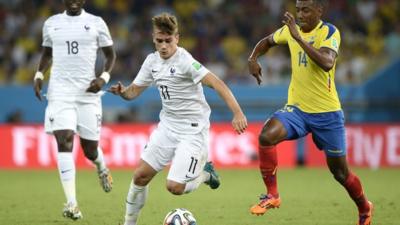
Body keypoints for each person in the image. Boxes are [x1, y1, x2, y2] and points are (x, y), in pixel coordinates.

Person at [108, 12, 248, 225]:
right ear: (153, 39)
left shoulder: (185, 61)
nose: (163, 46)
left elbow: (218, 83)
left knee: (174, 187)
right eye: (159, 41)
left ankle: (205, 175)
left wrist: (237, 112)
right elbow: (134, 92)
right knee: (140, 177)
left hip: (192, 131)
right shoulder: (151, 61)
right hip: (167, 127)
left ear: (177, 38)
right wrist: (123, 92)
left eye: (168, 41)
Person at [247, 1, 373, 225]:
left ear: (319, 11)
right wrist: (253, 58)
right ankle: (272, 195)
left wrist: (298, 38)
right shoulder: (290, 30)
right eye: (298, 9)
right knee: (266, 135)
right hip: (297, 110)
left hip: (327, 114)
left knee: (340, 174)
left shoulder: (329, 32)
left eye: (306, 10)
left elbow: (326, 62)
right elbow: (267, 42)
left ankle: (364, 207)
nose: (301, 14)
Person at [33, 0, 116, 220]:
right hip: (60, 92)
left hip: (88, 94)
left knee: (90, 150)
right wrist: (39, 75)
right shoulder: (51, 23)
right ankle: (72, 203)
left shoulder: (96, 23)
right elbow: (47, 54)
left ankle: (101, 166)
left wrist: (103, 78)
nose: (73, 1)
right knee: (64, 139)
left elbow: (110, 56)